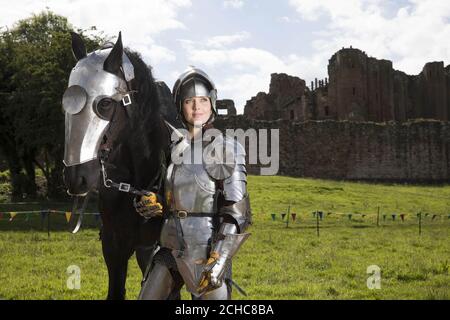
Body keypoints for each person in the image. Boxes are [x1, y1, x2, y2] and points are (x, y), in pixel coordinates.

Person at [134, 66, 252, 300]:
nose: (197, 107)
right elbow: (171, 198)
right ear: (180, 106)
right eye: (190, 101)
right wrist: (153, 204)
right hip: (168, 248)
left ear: (213, 103)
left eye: (203, 100)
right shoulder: (174, 148)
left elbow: (237, 211)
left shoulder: (226, 148)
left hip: (206, 250)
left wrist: (218, 261)